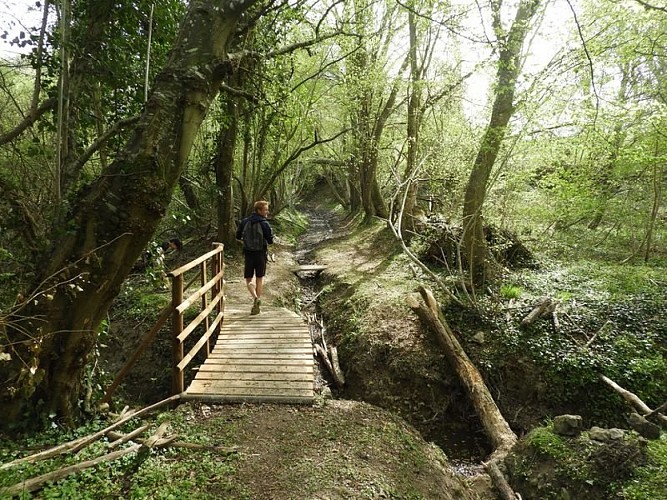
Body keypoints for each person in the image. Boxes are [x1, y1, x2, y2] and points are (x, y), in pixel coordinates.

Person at [236, 200, 274, 315]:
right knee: (259, 278)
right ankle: (257, 301)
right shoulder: (264, 223)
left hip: (248, 254)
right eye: (265, 209)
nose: (267, 212)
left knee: (248, 279)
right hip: (261, 254)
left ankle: (255, 297)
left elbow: (238, 236)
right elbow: (270, 241)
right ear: (259, 210)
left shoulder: (244, 221)